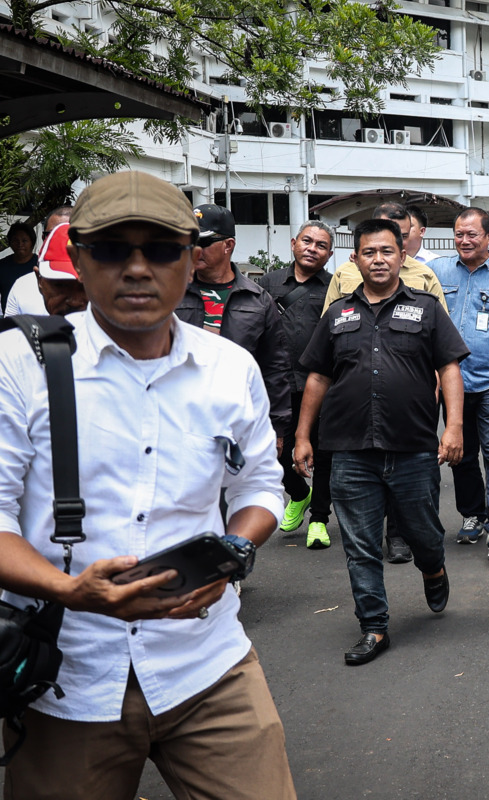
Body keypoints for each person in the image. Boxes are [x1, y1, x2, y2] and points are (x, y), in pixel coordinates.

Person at [0, 170, 295, 799]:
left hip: (208, 666)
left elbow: (262, 488)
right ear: (77, 260)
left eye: (160, 249)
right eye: (112, 249)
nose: (138, 269)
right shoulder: (19, 364)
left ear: (192, 261)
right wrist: (69, 589)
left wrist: (233, 553)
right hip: (68, 679)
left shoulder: (228, 368)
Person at [295, 217, 468, 666]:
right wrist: (302, 436)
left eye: (387, 251)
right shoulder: (337, 315)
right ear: (354, 259)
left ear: (402, 256)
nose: (378, 259)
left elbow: (450, 368)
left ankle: (433, 567)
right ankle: (374, 626)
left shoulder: (427, 308)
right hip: (349, 449)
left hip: (411, 446)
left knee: (424, 532)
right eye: (369, 252)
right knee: (360, 545)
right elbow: (317, 375)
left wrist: (453, 427)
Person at [429, 209, 489, 559]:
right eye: (459, 234)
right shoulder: (438, 271)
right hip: (451, 381)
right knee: (461, 454)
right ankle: (472, 514)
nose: (464, 241)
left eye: (472, 235)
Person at [175, 204, 292, 444]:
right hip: (179, 419)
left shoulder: (258, 301)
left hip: (239, 422)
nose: (195, 250)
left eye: (203, 243)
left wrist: (276, 428)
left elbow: (274, 368)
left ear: (228, 245)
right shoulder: (171, 293)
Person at [256, 222, 336, 549]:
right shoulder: (267, 282)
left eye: (320, 245)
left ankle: (319, 518)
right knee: (274, 453)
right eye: (307, 241)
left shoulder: (334, 287)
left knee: (325, 455)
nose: (312, 248)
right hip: (276, 385)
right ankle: (299, 494)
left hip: (321, 385)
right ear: (293, 243)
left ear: (329, 254)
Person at [322, 203, 445, 314]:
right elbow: (328, 323)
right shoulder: (344, 273)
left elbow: (439, 329)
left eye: (404, 236)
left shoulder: (425, 275)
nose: (397, 241)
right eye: (387, 233)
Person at [6, 207, 72, 316]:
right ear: (39, 280)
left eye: (70, 234)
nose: (61, 239)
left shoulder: (102, 285)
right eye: (53, 234)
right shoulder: (21, 285)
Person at [24, 222, 88, 316]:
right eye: (60, 285)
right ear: (40, 280)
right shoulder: (18, 330)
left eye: (84, 287)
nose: (74, 302)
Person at [0, 221, 37, 309]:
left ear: (31, 242)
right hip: (9, 319)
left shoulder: (41, 265)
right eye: (15, 241)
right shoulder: (2, 265)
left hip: (37, 319)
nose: (20, 244)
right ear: (10, 243)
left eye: (24, 241)